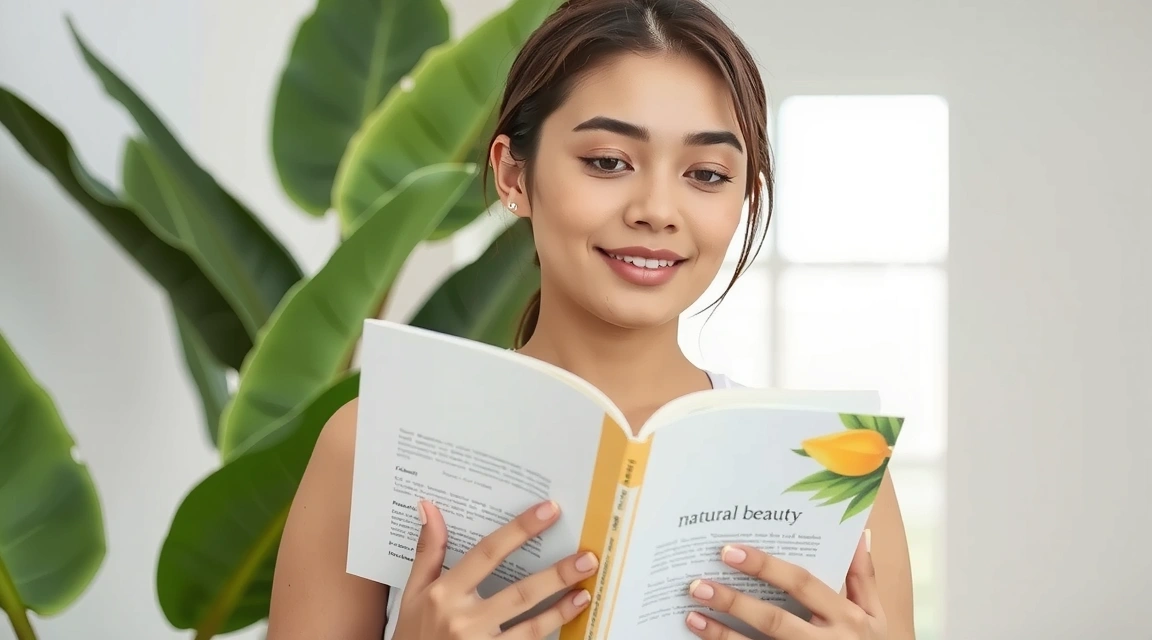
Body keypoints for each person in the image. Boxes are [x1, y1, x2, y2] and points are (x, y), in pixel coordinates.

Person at [266, 0, 916, 638]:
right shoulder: (369, 446)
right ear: (513, 174)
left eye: (707, 173)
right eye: (608, 161)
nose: (657, 209)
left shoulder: (839, 482)